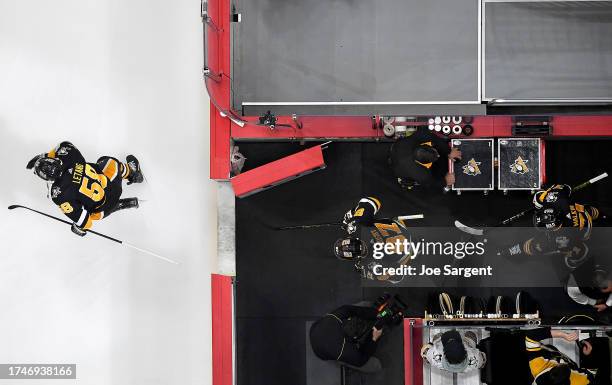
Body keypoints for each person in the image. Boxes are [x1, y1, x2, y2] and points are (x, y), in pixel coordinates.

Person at [27, 141, 144, 236]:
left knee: (90, 211)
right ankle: (132, 173)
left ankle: (121, 204)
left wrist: (78, 229)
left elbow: (86, 223)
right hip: (112, 187)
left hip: (102, 212)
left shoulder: (58, 195)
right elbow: (63, 145)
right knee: (108, 162)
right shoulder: (71, 155)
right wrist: (45, 156)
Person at [309, 304, 383, 373]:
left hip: (315, 329)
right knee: (376, 365)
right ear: (355, 338)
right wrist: (373, 339)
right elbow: (360, 361)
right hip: (320, 352)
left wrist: (377, 314)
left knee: (365, 304)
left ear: (349, 319)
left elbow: (351, 310)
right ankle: (343, 362)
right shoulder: (344, 350)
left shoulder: (340, 314)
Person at [389, 127, 461, 191]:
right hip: (399, 168)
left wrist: (449, 151)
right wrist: (445, 181)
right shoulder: (421, 174)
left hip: (398, 148)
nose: (439, 155)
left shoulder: (411, 141)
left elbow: (429, 136)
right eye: (435, 158)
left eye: (436, 153)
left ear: (424, 145)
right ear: (424, 164)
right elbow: (430, 183)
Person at [524, 327, 591, 385]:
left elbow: (531, 336)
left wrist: (561, 334)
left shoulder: (537, 367)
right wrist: (586, 356)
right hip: (573, 351)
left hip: (548, 345)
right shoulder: (580, 382)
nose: (563, 363)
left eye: (555, 368)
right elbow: (591, 373)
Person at [421, 329, 486, 373]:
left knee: (438, 336)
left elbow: (424, 351)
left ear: (444, 352)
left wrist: (431, 345)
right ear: (465, 352)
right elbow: (483, 359)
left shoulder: (433, 355)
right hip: (469, 359)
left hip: (439, 362)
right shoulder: (476, 359)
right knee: (470, 334)